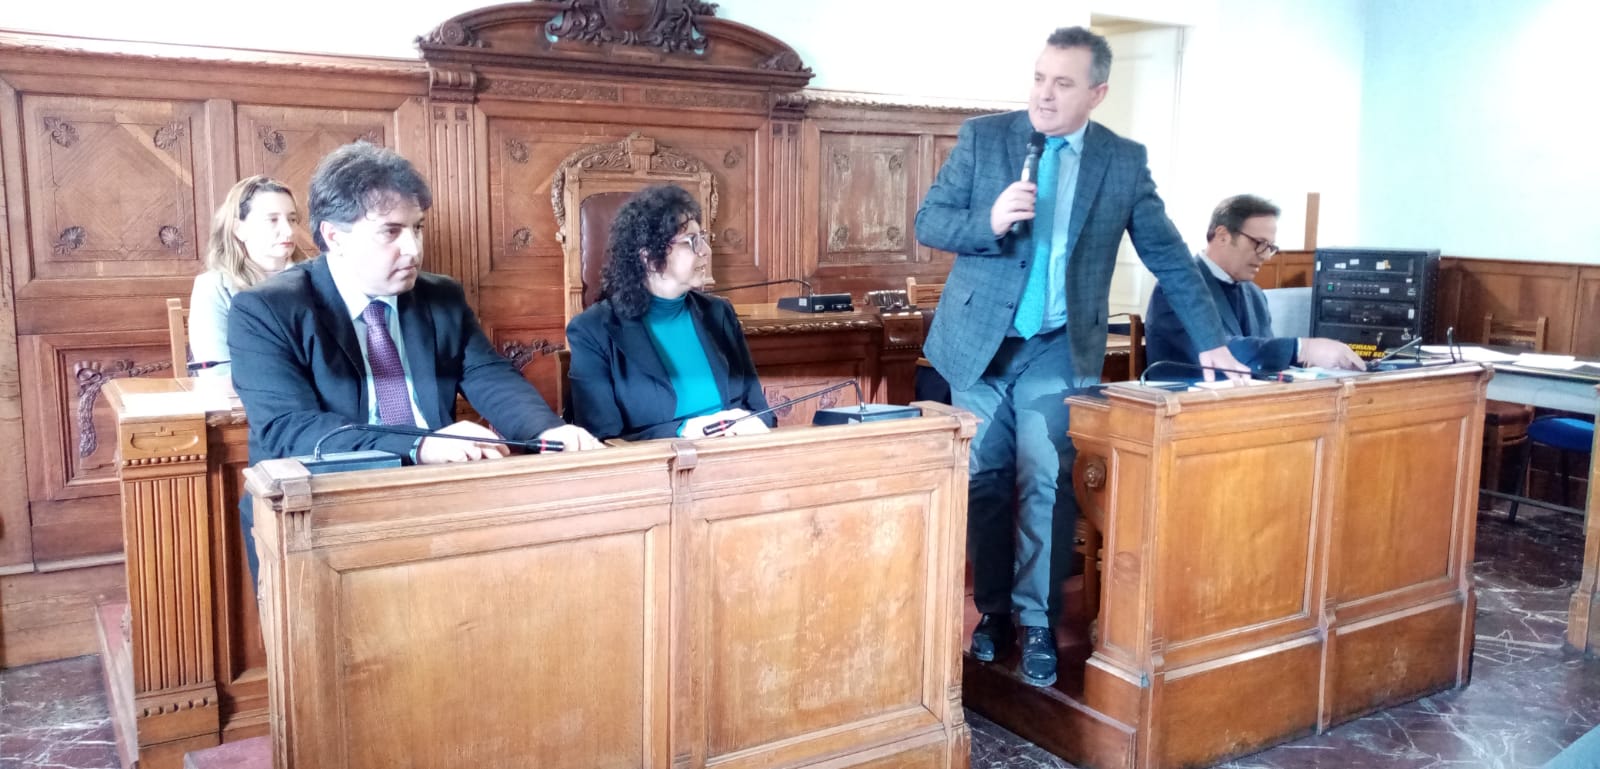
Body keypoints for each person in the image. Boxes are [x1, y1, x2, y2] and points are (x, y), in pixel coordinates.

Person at [914, 26, 1244, 687]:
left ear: (1096, 93)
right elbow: (929, 222)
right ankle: (994, 614)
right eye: (1039, 78)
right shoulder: (985, 138)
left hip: (1057, 345)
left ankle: (1038, 621)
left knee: (1045, 476)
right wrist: (989, 221)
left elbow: (1169, 256)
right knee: (985, 480)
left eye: (1062, 83)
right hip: (979, 343)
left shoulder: (1121, 162)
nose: (1044, 94)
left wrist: (1214, 341)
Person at [229, 142, 602, 582]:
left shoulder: (440, 296)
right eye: (391, 232)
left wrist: (548, 431)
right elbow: (290, 428)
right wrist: (420, 444)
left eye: (417, 227)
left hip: (435, 497)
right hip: (321, 507)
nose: (413, 248)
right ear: (334, 236)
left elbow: (488, 374)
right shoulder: (267, 309)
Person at [566, 184, 773, 441]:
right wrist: (684, 430)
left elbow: (762, 412)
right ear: (649, 257)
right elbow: (602, 438)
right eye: (691, 241)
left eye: (703, 238)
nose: (706, 251)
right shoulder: (592, 330)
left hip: (737, 455)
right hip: (661, 463)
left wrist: (751, 424)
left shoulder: (719, 313)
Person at [1145, 195, 1366, 375]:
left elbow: (1264, 358)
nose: (1266, 256)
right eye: (1260, 244)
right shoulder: (1176, 288)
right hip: (1187, 406)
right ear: (1222, 236)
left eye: (1270, 247)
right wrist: (1302, 349)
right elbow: (1219, 353)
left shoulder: (1255, 294)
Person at [187, 176, 307, 374]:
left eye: (292, 219)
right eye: (273, 220)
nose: (288, 231)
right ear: (239, 229)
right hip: (247, 392)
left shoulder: (316, 277)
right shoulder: (214, 286)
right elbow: (218, 372)